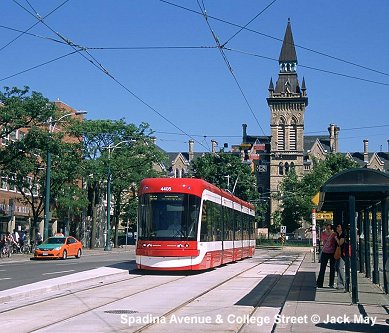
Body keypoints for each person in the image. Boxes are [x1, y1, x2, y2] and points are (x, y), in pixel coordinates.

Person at [316, 223, 336, 288]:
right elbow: (322, 241)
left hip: (331, 252)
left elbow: (322, 241)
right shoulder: (326, 234)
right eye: (327, 228)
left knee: (331, 268)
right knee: (323, 268)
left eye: (329, 228)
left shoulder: (333, 234)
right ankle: (322, 283)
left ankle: (329, 283)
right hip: (326, 252)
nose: (328, 229)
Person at [334, 224, 346, 291]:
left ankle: (342, 284)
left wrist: (336, 239)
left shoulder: (342, 235)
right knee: (337, 267)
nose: (337, 228)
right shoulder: (338, 234)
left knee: (340, 267)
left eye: (338, 226)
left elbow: (340, 243)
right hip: (338, 253)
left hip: (342, 253)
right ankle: (339, 284)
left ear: (341, 228)